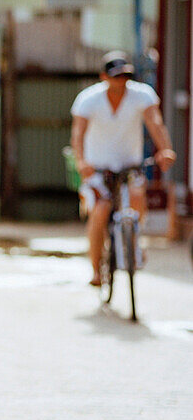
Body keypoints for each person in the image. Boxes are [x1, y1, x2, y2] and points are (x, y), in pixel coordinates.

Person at [70, 50, 175, 287]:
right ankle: (96, 270)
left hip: (130, 165)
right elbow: (78, 134)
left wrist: (165, 149)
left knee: (137, 198)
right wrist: (81, 161)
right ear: (104, 77)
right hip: (97, 169)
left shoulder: (142, 96)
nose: (121, 82)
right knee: (100, 210)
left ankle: (134, 243)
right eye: (116, 76)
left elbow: (155, 123)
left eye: (125, 76)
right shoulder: (89, 99)